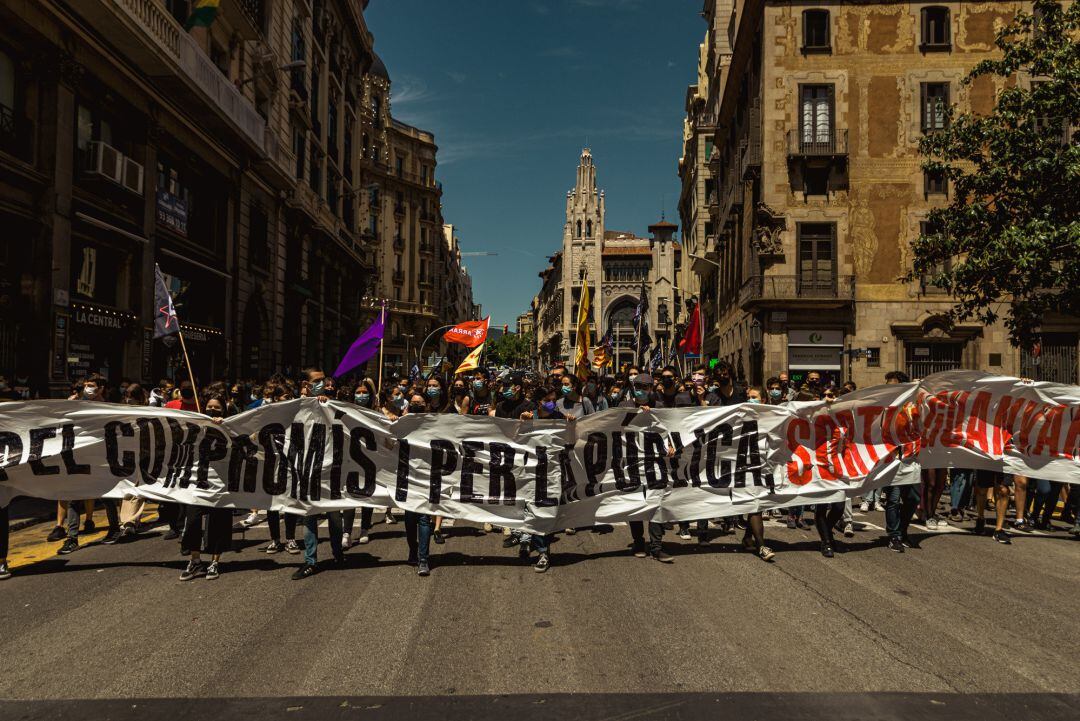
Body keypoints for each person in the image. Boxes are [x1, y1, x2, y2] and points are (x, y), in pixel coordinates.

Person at [57, 374, 122, 554]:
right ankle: (72, 537)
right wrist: (68, 406)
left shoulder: (108, 408)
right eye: (86, 385)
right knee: (74, 497)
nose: (87, 388)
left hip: (102, 459)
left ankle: (114, 528)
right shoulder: (78, 405)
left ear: (101, 388)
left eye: (91, 385)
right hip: (80, 458)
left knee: (107, 496)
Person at [294, 368, 346, 580]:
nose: (323, 384)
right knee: (309, 516)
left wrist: (325, 404)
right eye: (317, 381)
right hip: (307, 468)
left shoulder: (330, 403)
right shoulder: (295, 405)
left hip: (330, 467)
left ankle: (338, 554)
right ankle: (310, 561)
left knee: (334, 515)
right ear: (306, 385)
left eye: (323, 380)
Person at [179, 395, 234, 580]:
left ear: (223, 410)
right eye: (209, 407)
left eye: (217, 407)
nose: (212, 410)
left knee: (219, 524)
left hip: (220, 485)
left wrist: (224, 425)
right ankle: (195, 561)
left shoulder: (230, 425)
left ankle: (214, 562)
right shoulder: (197, 425)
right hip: (197, 483)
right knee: (193, 521)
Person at [623, 373, 672, 563]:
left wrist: (670, 446)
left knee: (656, 504)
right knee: (635, 504)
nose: (641, 390)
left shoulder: (659, 408)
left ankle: (656, 546)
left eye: (645, 387)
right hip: (632, 463)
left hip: (655, 464)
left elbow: (669, 430)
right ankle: (638, 542)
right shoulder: (623, 408)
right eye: (638, 386)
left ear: (651, 389)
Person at [973, 470, 1012, 544]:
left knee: (1003, 490)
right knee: (982, 489)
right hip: (987, 461)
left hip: (1004, 460)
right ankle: (980, 519)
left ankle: (999, 529)